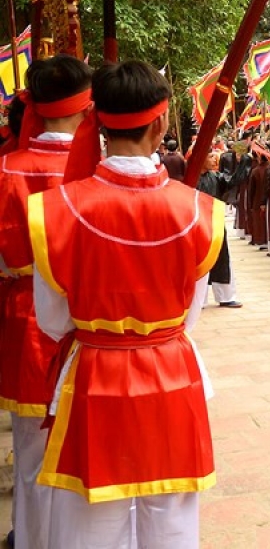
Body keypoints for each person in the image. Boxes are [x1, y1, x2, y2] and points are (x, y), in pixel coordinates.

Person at [29, 60, 221, 547]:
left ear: (98, 120)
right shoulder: (199, 212)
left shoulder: (57, 210)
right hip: (173, 374)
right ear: (160, 124)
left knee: (92, 513)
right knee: (173, 515)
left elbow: (52, 321)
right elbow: (190, 316)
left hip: (95, 376)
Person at [0, 55, 93, 549]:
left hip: (25, 323)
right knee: (85, 457)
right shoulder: (97, 172)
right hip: (89, 326)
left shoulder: (6, 170)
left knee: (32, 453)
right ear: (87, 105)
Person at [198, 150, 253, 308]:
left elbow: (235, 180)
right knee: (199, 261)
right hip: (197, 225)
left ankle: (226, 296)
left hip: (215, 224)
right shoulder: (189, 178)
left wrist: (244, 160)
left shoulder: (216, 177)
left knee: (222, 260)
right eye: (209, 156)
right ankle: (198, 299)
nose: (214, 159)